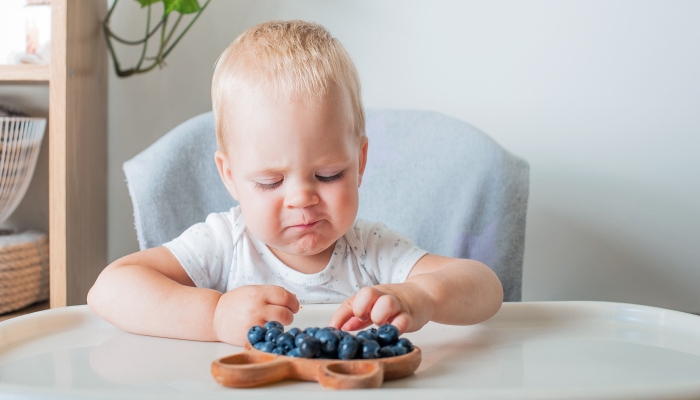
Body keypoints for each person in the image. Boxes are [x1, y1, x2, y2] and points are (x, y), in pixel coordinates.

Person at [87, 20, 503, 346]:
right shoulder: (224, 245)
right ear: (230, 176)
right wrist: (215, 316)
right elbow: (109, 290)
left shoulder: (370, 252)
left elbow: (485, 286)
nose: (302, 198)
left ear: (359, 162)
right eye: (269, 182)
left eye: (328, 175)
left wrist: (423, 297)